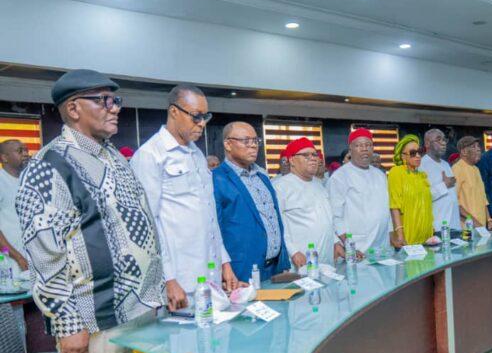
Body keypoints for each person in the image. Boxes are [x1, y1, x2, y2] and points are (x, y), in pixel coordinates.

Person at [15, 69, 165, 353]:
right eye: (104, 100)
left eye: (116, 100)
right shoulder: (49, 165)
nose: (114, 108)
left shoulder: (113, 157)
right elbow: (45, 253)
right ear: (73, 108)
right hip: (91, 315)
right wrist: (68, 323)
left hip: (136, 310)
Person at [131, 84, 239, 307]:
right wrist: (168, 278)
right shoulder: (150, 155)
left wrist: (224, 262)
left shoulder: (196, 153)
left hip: (209, 275)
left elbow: (209, 214)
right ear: (174, 111)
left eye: (205, 116)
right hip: (180, 281)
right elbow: (148, 224)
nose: (202, 123)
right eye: (196, 116)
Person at [213, 122, 290, 282]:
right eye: (246, 141)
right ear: (228, 144)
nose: (253, 146)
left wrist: (283, 259)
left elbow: (273, 218)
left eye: (255, 141)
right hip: (241, 271)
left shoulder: (262, 176)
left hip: (274, 267)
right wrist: (224, 268)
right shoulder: (216, 179)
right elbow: (214, 230)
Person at [274, 137, 343, 267]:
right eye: (306, 155)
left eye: (314, 155)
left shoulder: (319, 185)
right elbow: (277, 225)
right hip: (301, 260)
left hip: (326, 258)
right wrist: (293, 252)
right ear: (292, 160)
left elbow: (327, 219)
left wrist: (335, 242)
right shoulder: (280, 187)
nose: (313, 158)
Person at [327, 128, 391, 255]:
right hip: (358, 247)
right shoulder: (340, 177)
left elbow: (386, 208)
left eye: (368, 145)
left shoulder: (380, 175)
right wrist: (348, 245)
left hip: (382, 246)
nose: (364, 149)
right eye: (359, 145)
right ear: (351, 149)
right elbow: (335, 216)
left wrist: (392, 233)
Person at [387, 135, 434, 246]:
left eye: (420, 152)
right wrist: (400, 235)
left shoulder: (421, 175)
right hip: (408, 236)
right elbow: (394, 206)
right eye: (413, 153)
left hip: (426, 236)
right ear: (403, 156)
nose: (418, 156)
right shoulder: (396, 172)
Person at [420, 128, 461, 232]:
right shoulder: (421, 165)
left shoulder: (446, 164)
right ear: (427, 143)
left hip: (454, 225)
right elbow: (421, 197)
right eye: (438, 139)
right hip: (437, 227)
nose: (443, 143)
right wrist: (444, 185)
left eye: (444, 139)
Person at [0, 139, 30, 275]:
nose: (25, 154)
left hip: (33, 259)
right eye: (20, 151)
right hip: (10, 262)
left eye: (26, 150)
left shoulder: (29, 180)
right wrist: (17, 257)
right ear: (4, 158)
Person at [452, 136, 492, 229]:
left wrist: (489, 221)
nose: (478, 149)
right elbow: (454, 202)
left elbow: (483, 199)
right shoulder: (457, 169)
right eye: (473, 147)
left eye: (478, 146)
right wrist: (475, 223)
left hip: (481, 228)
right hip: (466, 229)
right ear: (463, 151)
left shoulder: (476, 169)